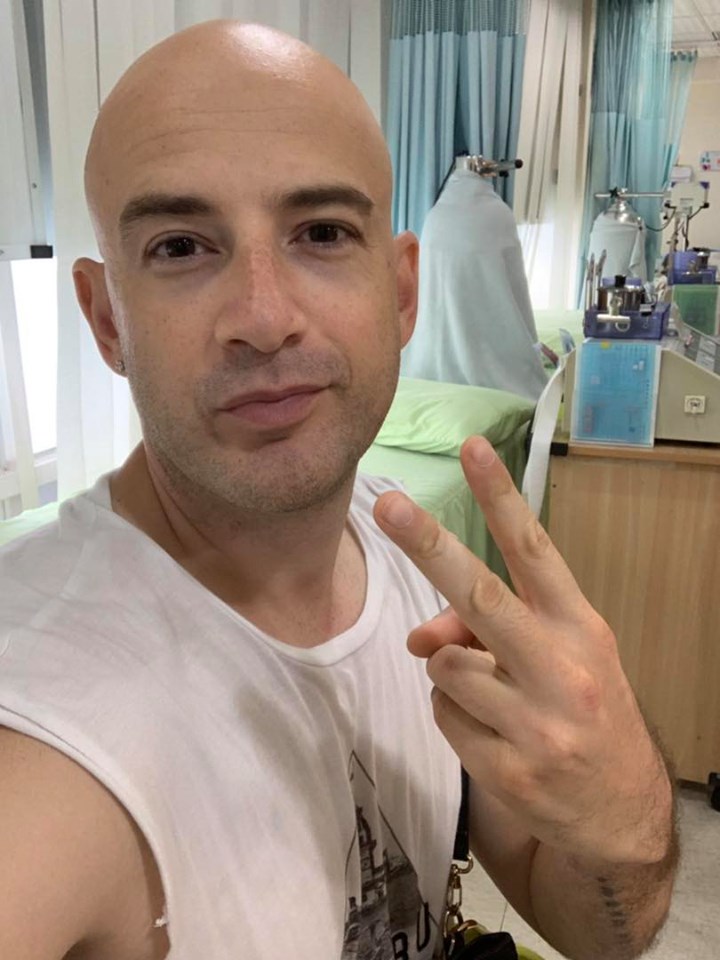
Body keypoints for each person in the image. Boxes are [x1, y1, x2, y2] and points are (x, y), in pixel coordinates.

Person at [0, 20, 677, 960]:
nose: (264, 317)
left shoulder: (407, 558)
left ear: (400, 295)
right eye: (181, 247)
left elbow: (597, 929)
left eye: (322, 233)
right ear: (107, 319)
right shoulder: (41, 725)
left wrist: (626, 816)